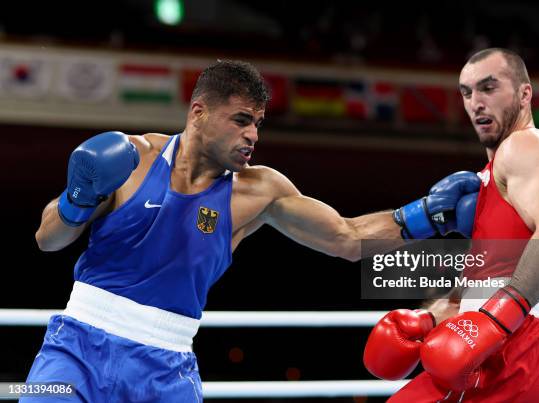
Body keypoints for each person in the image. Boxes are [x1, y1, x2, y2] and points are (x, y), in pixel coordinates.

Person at [26, 60, 480, 402]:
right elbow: (48, 240)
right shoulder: (131, 158)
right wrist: (76, 199)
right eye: (241, 120)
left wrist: (426, 216)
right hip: (75, 348)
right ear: (199, 112)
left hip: (165, 368)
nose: (253, 136)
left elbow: (345, 238)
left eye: (258, 124)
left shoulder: (259, 191)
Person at [364, 48, 539, 402]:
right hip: (487, 342)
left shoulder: (530, 145)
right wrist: (427, 320)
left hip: (520, 343)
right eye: (466, 92)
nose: (476, 102)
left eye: (488, 88)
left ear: (525, 93)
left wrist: (496, 319)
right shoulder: (487, 182)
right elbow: (484, 280)